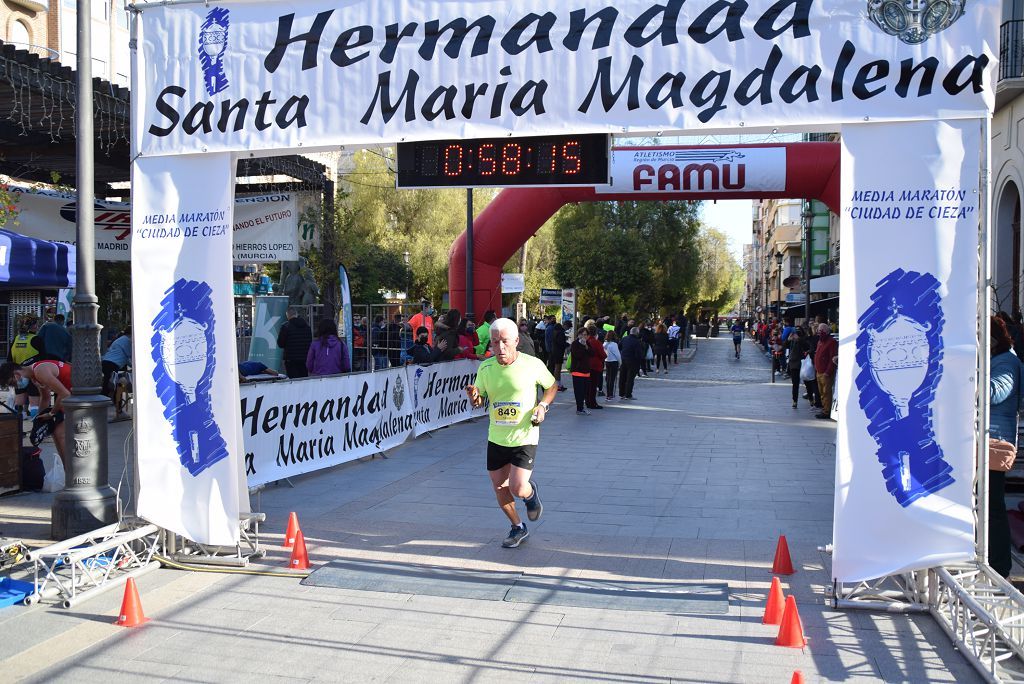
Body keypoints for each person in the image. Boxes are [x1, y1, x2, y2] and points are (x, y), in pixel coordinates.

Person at [465, 318, 557, 548]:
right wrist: (473, 396)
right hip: (496, 436)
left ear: (516, 341)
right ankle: (518, 527)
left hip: (524, 435)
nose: (500, 348)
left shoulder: (532, 364)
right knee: (499, 487)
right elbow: (479, 400)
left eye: (505, 341)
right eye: (495, 342)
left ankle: (530, 494)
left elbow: (551, 385)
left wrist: (542, 406)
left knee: (517, 487)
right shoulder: (485, 368)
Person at [0, 359, 72, 468]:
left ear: (16, 374)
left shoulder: (40, 372)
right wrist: (39, 420)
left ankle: (72, 473)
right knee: (55, 432)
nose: (15, 387)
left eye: (12, 383)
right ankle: (68, 472)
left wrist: (52, 414)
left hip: (79, 392)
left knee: (60, 434)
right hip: (71, 392)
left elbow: (65, 394)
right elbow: (45, 398)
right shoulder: (34, 375)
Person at [989, 316, 1018, 578]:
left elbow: (994, 392)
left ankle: (999, 567)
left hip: (994, 444)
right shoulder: (997, 360)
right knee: (985, 505)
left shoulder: (1007, 362)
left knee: (992, 507)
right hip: (985, 441)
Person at [276, 307, 313, 378]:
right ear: (296, 314)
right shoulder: (307, 327)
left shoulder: (285, 327)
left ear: (287, 316)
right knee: (304, 379)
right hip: (304, 358)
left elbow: (280, 344)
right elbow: (310, 341)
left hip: (291, 359)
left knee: (293, 382)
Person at [814, 323, 838, 419]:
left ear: (827, 331)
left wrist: (828, 372)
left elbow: (832, 358)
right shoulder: (820, 341)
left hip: (825, 372)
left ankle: (826, 411)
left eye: (821, 331)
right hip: (819, 371)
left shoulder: (831, 342)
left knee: (826, 392)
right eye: (818, 331)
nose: (819, 333)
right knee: (822, 392)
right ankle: (825, 408)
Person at [101, 326, 132, 397]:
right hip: (112, 364)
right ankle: (104, 399)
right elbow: (130, 355)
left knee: (111, 382)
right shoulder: (127, 340)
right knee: (110, 383)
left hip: (107, 361)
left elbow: (125, 357)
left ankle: (112, 399)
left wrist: (132, 365)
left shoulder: (121, 339)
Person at [569, 327, 592, 415]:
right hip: (577, 371)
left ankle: (582, 407)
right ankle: (579, 408)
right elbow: (578, 355)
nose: (583, 336)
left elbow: (592, 353)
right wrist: (583, 346)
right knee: (579, 392)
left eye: (585, 335)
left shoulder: (588, 343)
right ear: (578, 335)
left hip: (586, 372)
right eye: (582, 334)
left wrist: (586, 346)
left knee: (585, 391)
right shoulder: (575, 344)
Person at [786, 329, 810, 409]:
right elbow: (784, 346)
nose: (794, 335)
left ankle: (811, 399)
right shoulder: (792, 341)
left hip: (803, 364)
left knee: (807, 383)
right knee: (795, 384)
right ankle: (794, 401)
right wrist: (788, 340)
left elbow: (807, 347)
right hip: (793, 364)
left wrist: (799, 339)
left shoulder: (803, 340)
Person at [584, 321, 606, 408]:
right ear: (595, 333)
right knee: (593, 386)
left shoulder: (585, 341)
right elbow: (603, 355)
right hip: (595, 366)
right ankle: (592, 403)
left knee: (587, 385)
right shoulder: (596, 343)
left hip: (585, 366)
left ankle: (587, 401)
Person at [619, 327, 643, 400]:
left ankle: (622, 393)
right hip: (632, 361)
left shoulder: (624, 338)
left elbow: (619, 347)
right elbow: (638, 354)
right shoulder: (636, 341)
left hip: (623, 359)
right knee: (630, 378)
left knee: (623, 377)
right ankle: (628, 394)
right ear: (637, 333)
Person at [546, 318, 568, 392]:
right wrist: (567, 344)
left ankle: (558, 384)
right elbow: (561, 343)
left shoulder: (555, 332)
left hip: (554, 351)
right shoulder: (560, 333)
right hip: (558, 352)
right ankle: (557, 385)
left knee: (556, 368)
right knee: (557, 368)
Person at [604, 330, 621, 402]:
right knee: (612, 379)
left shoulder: (604, 344)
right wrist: (620, 363)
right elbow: (617, 355)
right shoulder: (614, 344)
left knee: (608, 378)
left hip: (607, 361)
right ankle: (610, 395)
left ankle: (608, 394)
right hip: (614, 362)